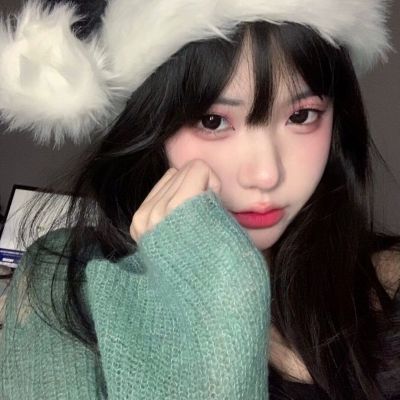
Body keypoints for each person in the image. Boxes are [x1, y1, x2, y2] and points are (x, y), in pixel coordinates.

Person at [0, 0, 399, 399]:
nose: (266, 174)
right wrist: (202, 291)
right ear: (151, 125)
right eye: (213, 121)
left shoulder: (391, 279)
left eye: (301, 116)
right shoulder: (60, 285)